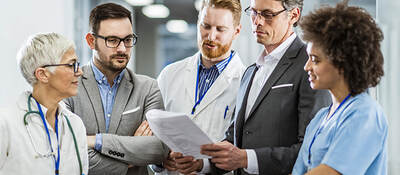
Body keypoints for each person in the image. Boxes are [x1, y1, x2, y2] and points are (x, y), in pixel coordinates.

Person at [187, 0, 332, 174]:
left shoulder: (310, 67)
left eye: (268, 14)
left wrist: (246, 158)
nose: (257, 21)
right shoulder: (249, 73)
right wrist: (201, 163)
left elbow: (311, 151)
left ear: (293, 15)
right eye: (254, 13)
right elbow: (234, 142)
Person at [64, 3, 168, 175]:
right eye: (112, 40)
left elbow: (159, 149)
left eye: (127, 40)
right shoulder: (69, 85)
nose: (122, 49)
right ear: (91, 41)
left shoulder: (148, 89)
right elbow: (66, 151)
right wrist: (130, 159)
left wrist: (95, 141)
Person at [292, 1, 387, 174]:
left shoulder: (365, 113)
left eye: (315, 60)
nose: (306, 67)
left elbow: (330, 172)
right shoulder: (319, 119)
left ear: (342, 62)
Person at [156, 0, 245, 173]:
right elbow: (154, 132)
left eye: (220, 29)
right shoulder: (169, 75)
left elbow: (241, 149)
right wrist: (160, 159)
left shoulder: (245, 83)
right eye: (206, 26)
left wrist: (202, 165)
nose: (211, 37)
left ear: (236, 31)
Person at [0, 33, 88, 174]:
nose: (80, 71)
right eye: (71, 65)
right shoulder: (5, 123)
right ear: (43, 74)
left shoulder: (75, 124)